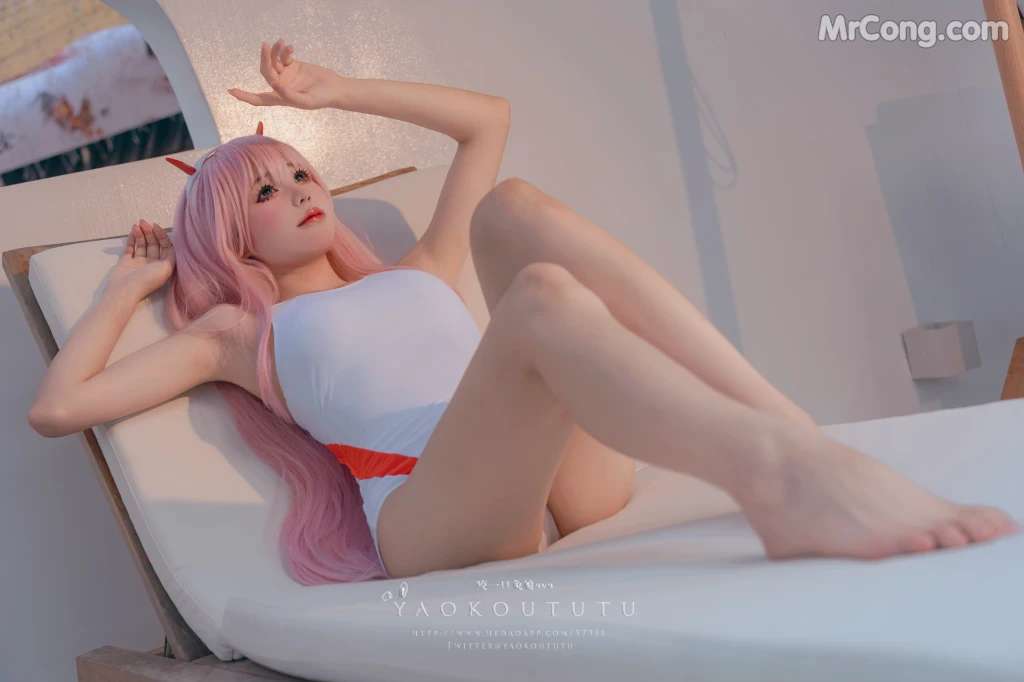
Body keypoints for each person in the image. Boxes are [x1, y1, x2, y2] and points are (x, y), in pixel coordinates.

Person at [29, 39, 1020, 584]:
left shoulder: (417, 268)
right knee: (541, 299)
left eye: (301, 172)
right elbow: (58, 407)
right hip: (429, 515)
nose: (298, 190)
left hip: (557, 485)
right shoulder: (241, 335)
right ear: (234, 240)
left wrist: (335, 91)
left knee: (513, 211)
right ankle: (778, 473)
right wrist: (125, 289)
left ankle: (794, 435)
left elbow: (487, 123)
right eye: (266, 192)